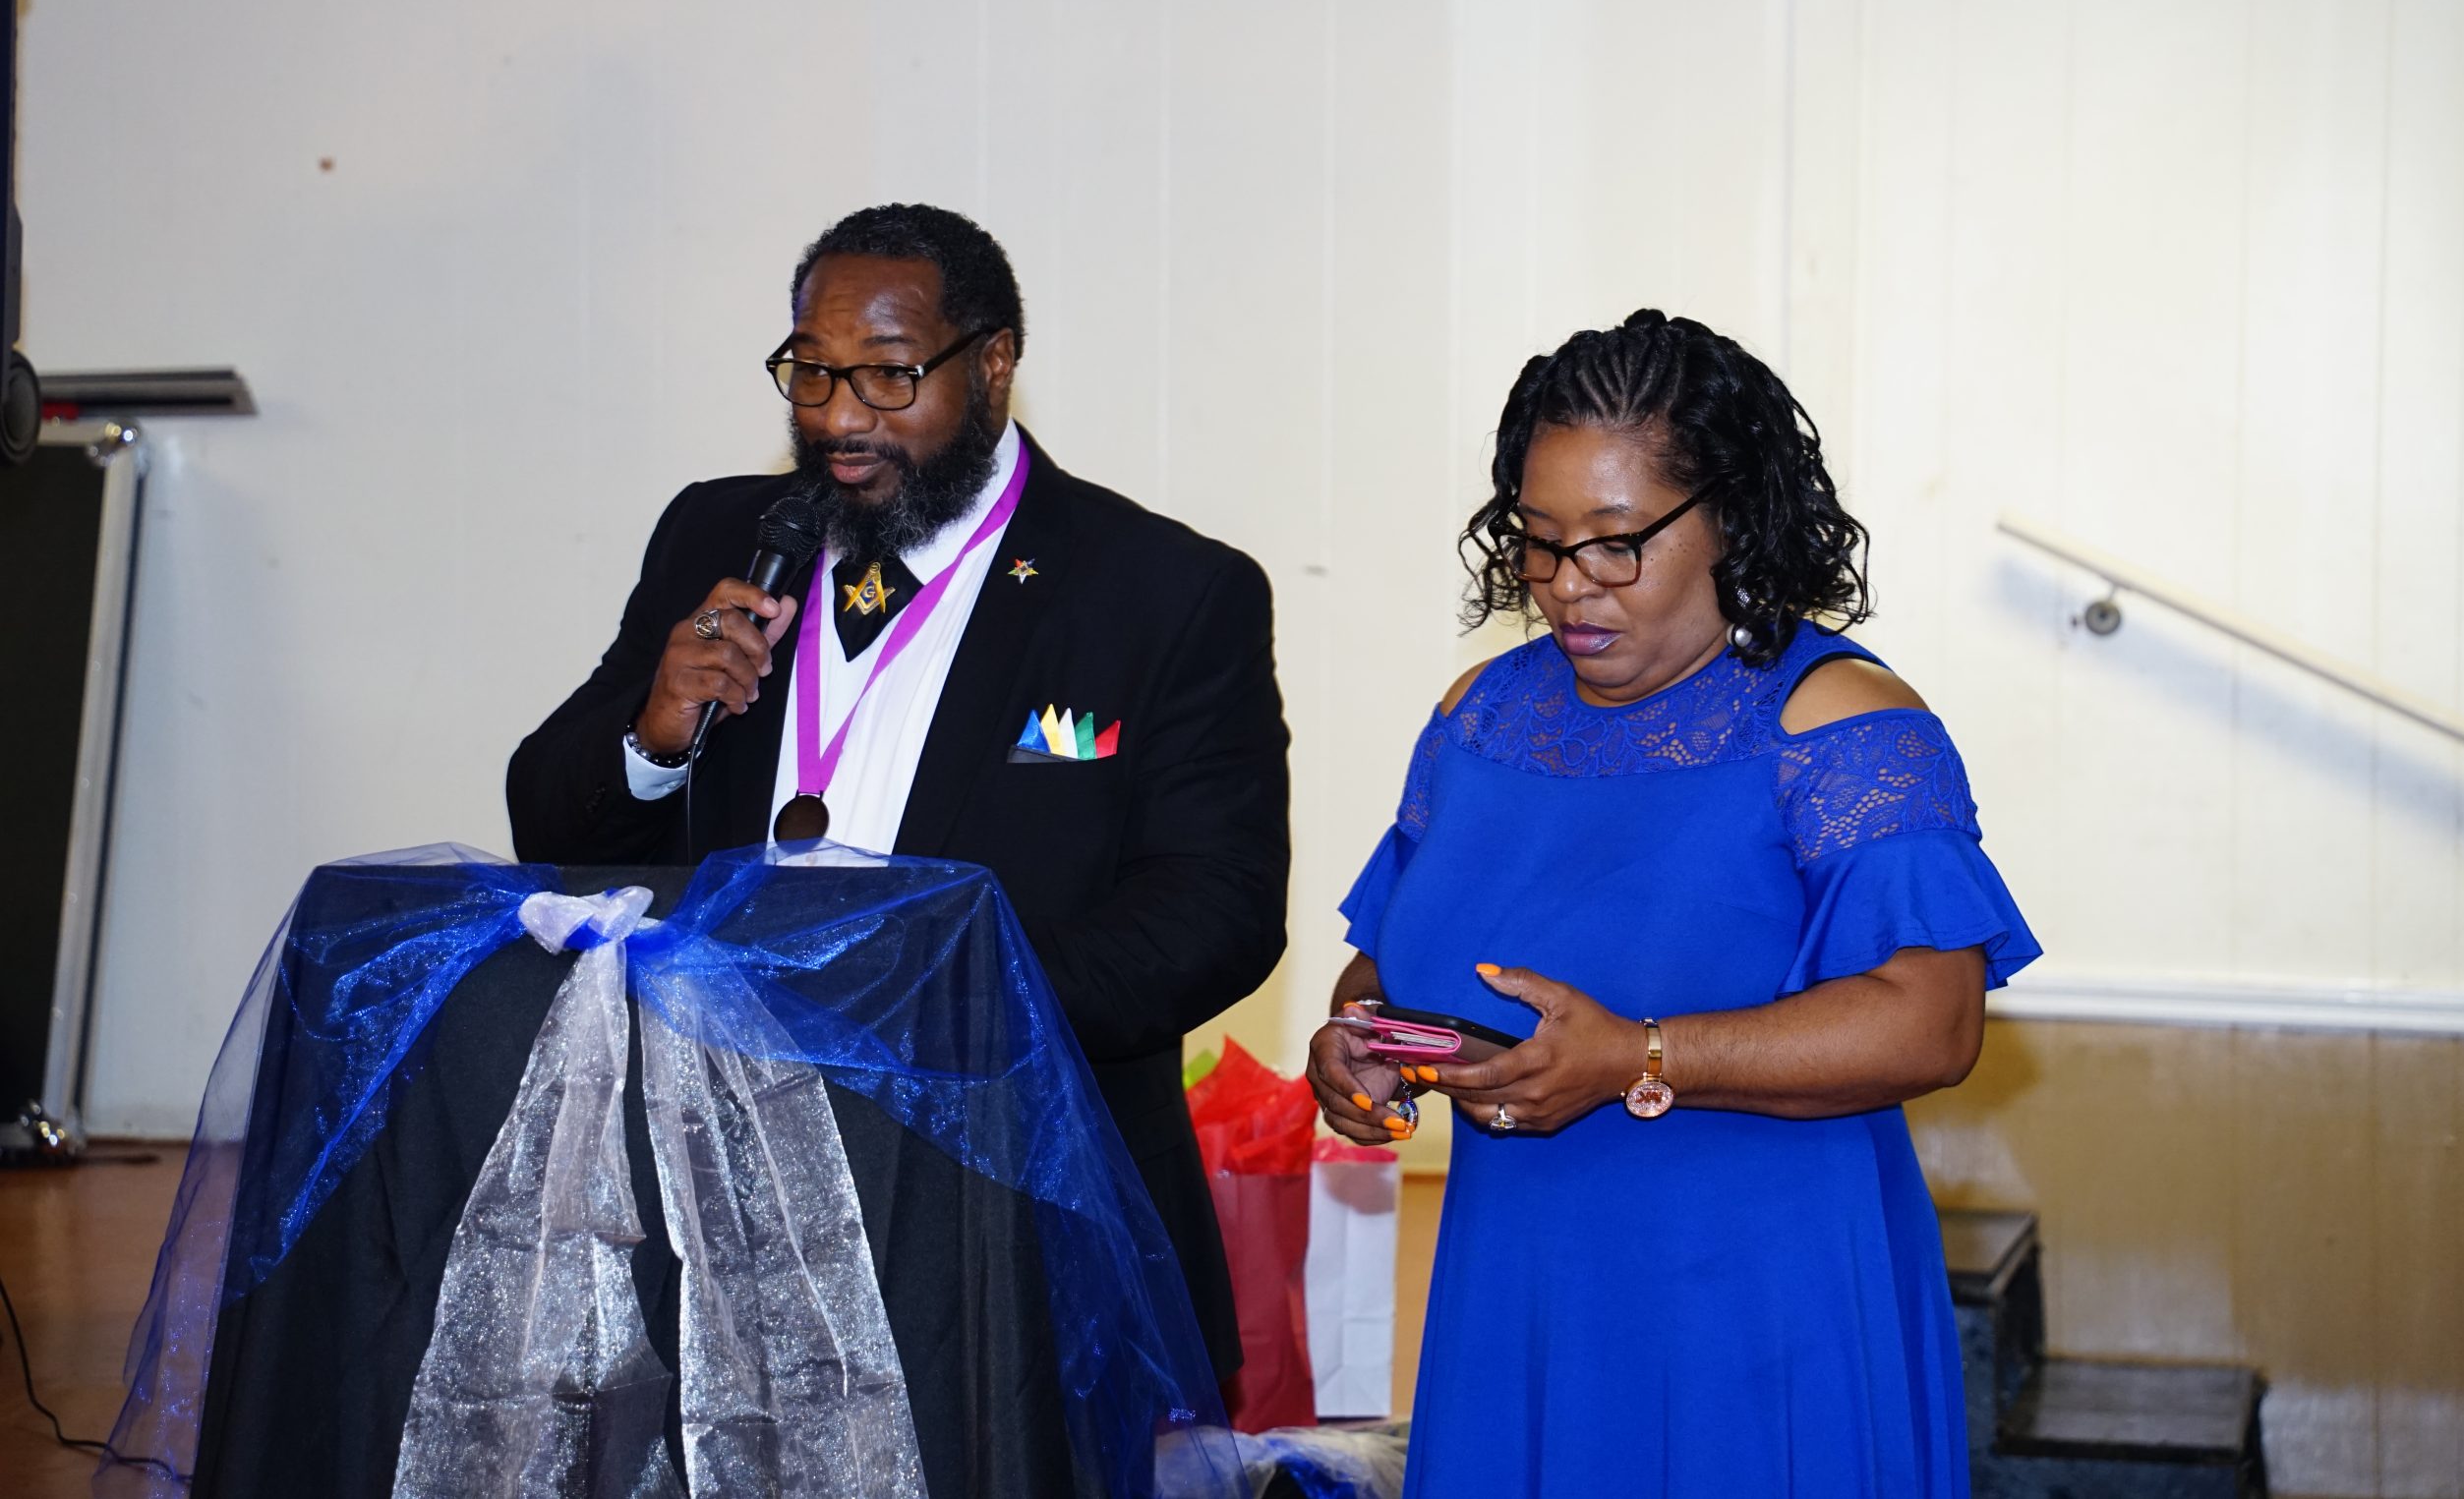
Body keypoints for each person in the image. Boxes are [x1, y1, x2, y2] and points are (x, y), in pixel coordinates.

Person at [508, 202, 1290, 1386]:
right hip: (715, 1184)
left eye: (887, 375)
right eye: (811, 373)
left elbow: (1214, 908)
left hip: (1009, 1202)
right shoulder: (719, 533)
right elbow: (548, 821)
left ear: (994, 363)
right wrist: (651, 733)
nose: (838, 418)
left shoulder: (1160, 591)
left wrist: (939, 1005)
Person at [1307, 310, 2039, 1497]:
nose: (1566, 586)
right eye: (1539, 542)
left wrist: (1635, 1057)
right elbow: (1392, 957)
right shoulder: (1478, 717)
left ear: (1731, 517)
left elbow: (1933, 1022)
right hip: (1516, 1293)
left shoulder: (1839, 726)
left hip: (1756, 1310)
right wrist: (1367, 1040)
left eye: (1615, 544)